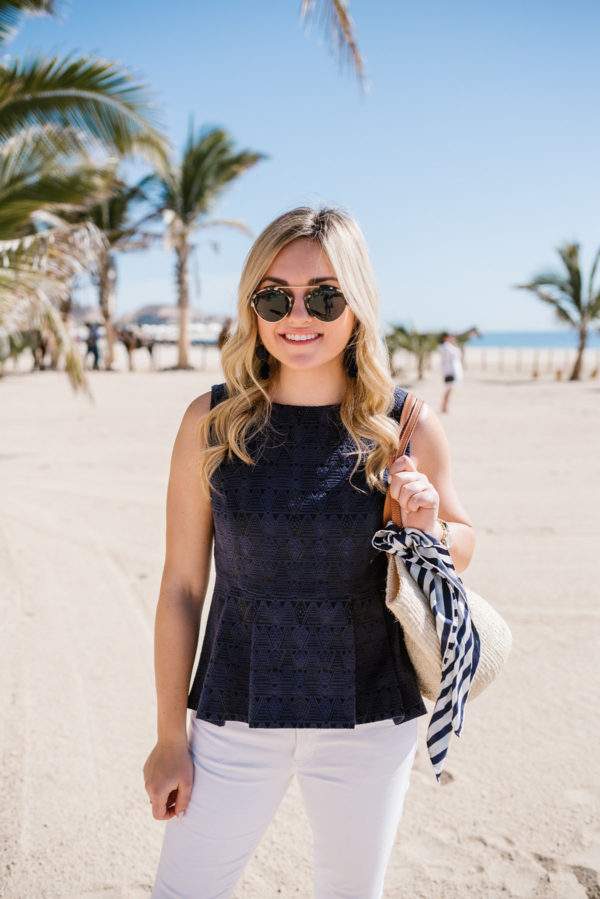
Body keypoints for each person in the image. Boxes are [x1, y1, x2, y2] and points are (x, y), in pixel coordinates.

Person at [143, 207, 475, 899]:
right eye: (275, 296)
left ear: (357, 305)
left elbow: (463, 541)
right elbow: (181, 586)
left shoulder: (406, 423)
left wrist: (430, 525)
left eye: (324, 295)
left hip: (369, 718)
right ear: (252, 305)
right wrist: (169, 734)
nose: (299, 315)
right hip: (233, 709)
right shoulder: (210, 423)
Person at [439, 332, 464, 413]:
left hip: (449, 370)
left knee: (449, 389)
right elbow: (457, 353)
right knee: (449, 389)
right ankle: (444, 407)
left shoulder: (446, 346)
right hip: (450, 371)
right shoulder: (446, 346)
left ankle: (445, 406)